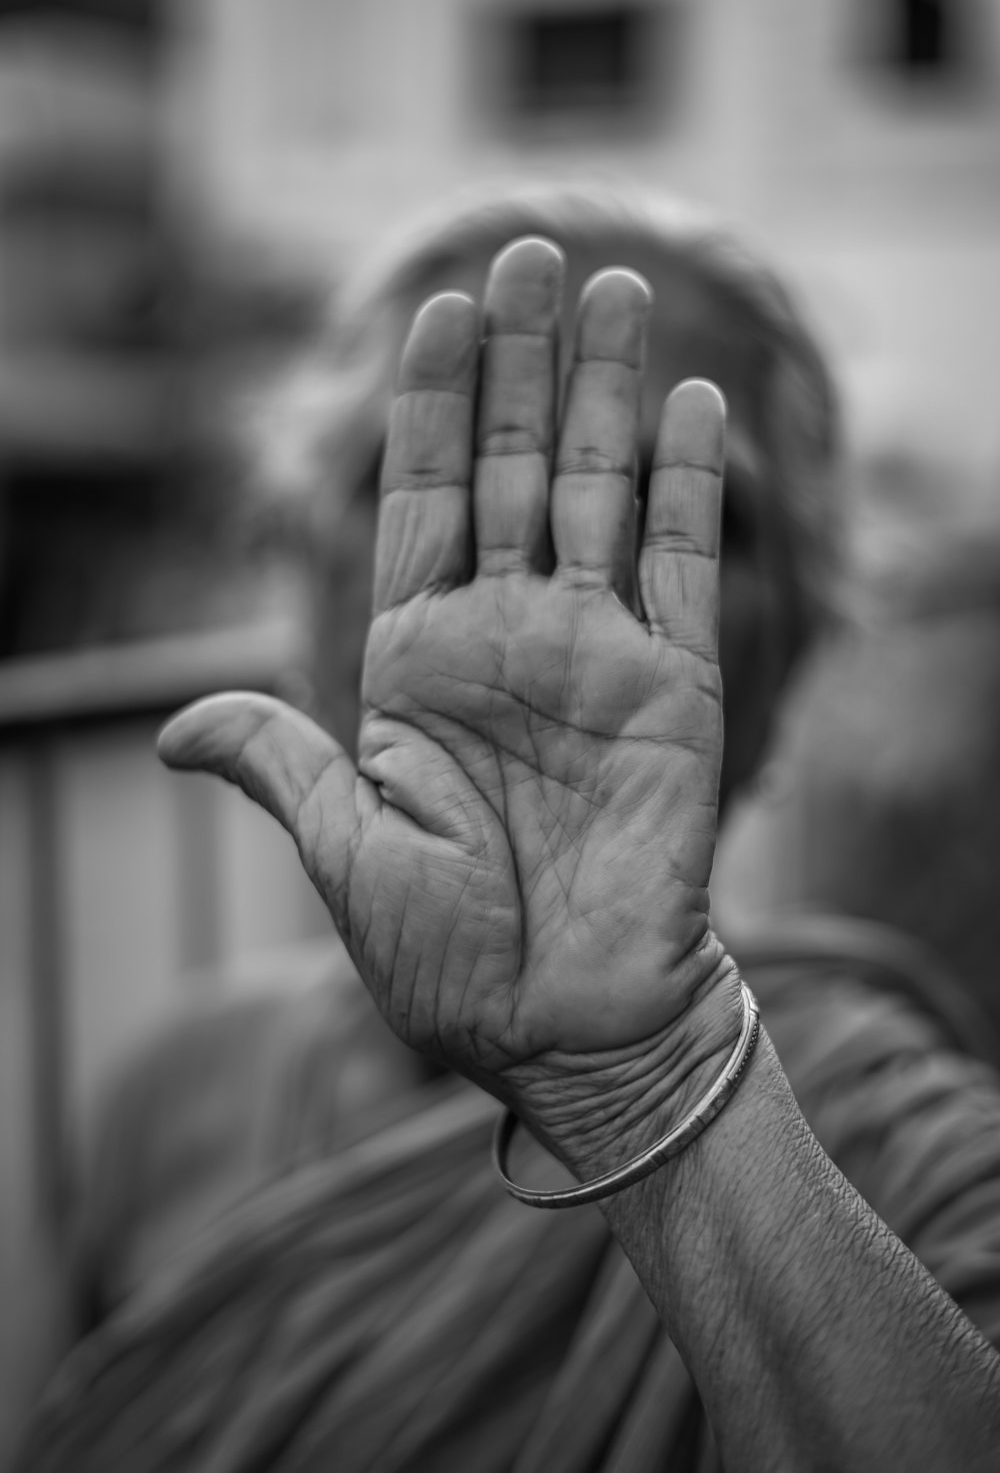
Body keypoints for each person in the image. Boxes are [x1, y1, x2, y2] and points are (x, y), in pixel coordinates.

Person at [16, 193, 1000, 1470]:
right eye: (447, 475)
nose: (537, 569)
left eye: (681, 509)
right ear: (294, 572)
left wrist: (646, 1081)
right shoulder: (174, 1094)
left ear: (796, 656)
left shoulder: (892, 1136)